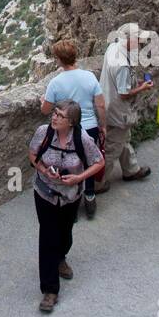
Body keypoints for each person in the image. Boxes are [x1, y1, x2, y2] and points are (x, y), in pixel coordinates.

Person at [28, 100, 103, 313]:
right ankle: (50, 291)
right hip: (45, 194)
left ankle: (61, 257)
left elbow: (98, 162)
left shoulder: (82, 139)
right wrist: (43, 170)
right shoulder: (43, 132)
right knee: (48, 237)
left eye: (60, 115)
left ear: (71, 122)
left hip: (70, 196)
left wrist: (79, 177)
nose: (54, 117)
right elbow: (32, 155)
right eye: (54, 113)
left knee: (65, 233)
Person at [40, 39, 106, 219]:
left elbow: (46, 110)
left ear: (59, 59)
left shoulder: (55, 82)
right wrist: (103, 125)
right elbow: (100, 104)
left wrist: (42, 102)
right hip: (90, 127)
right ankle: (90, 197)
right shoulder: (89, 76)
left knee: (68, 165)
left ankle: (71, 205)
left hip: (66, 130)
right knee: (89, 163)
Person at [95, 22, 153, 192]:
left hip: (106, 100)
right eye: (137, 39)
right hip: (117, 109)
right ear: (128, 40)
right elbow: (124, 93)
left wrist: (135, 82)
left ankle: (131, 170)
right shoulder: (122, 65)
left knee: (123, 138)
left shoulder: (113, 47)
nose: (140, 42)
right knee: (113, 147)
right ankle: (98, 183)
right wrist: (143, 87)